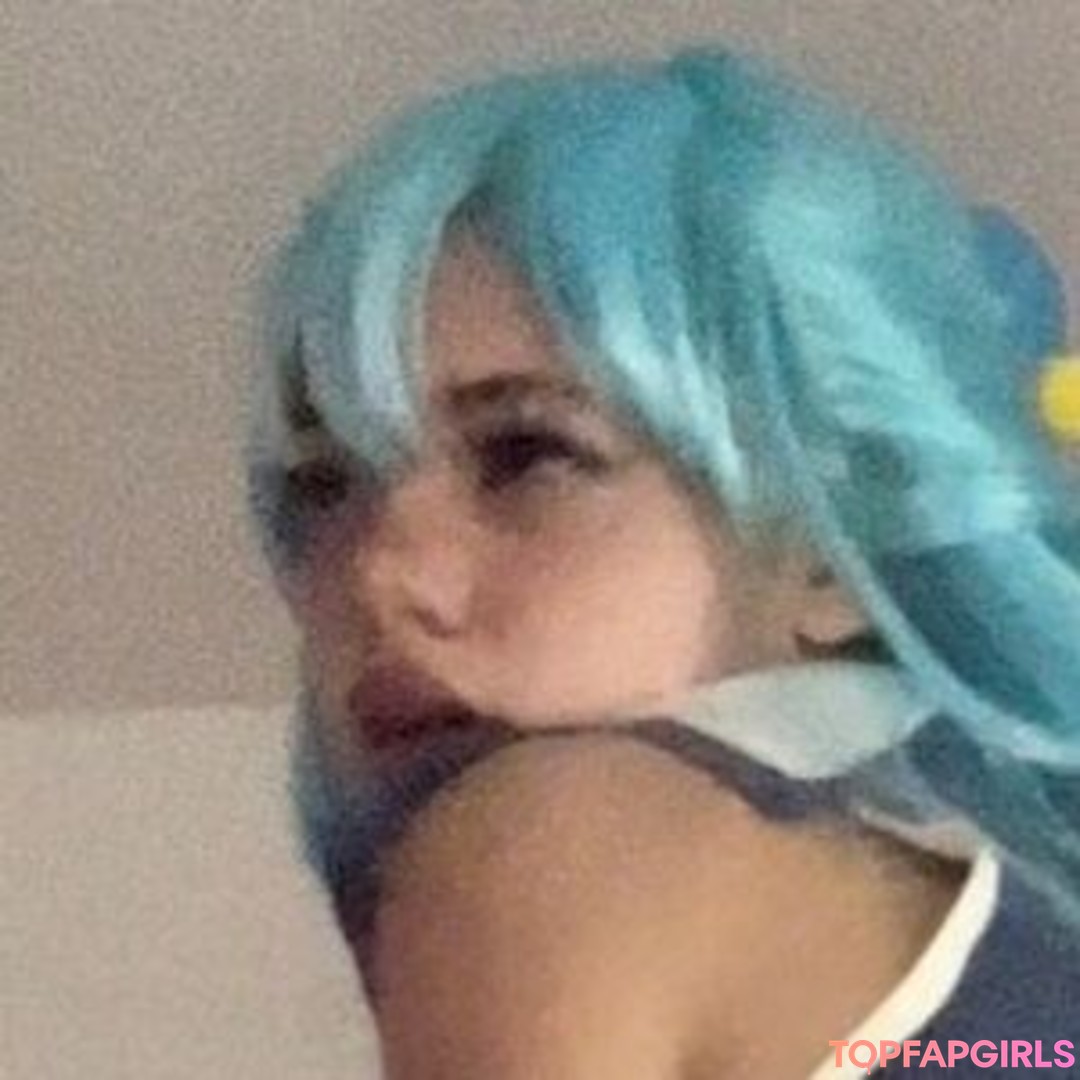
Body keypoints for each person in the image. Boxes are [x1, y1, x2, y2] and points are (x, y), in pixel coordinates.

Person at [245, 47, 1080, 1077]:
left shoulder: (550, 835)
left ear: (826, 554)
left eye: (528, 455)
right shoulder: (1024, 967)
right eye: (324, 485)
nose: (379, 574)